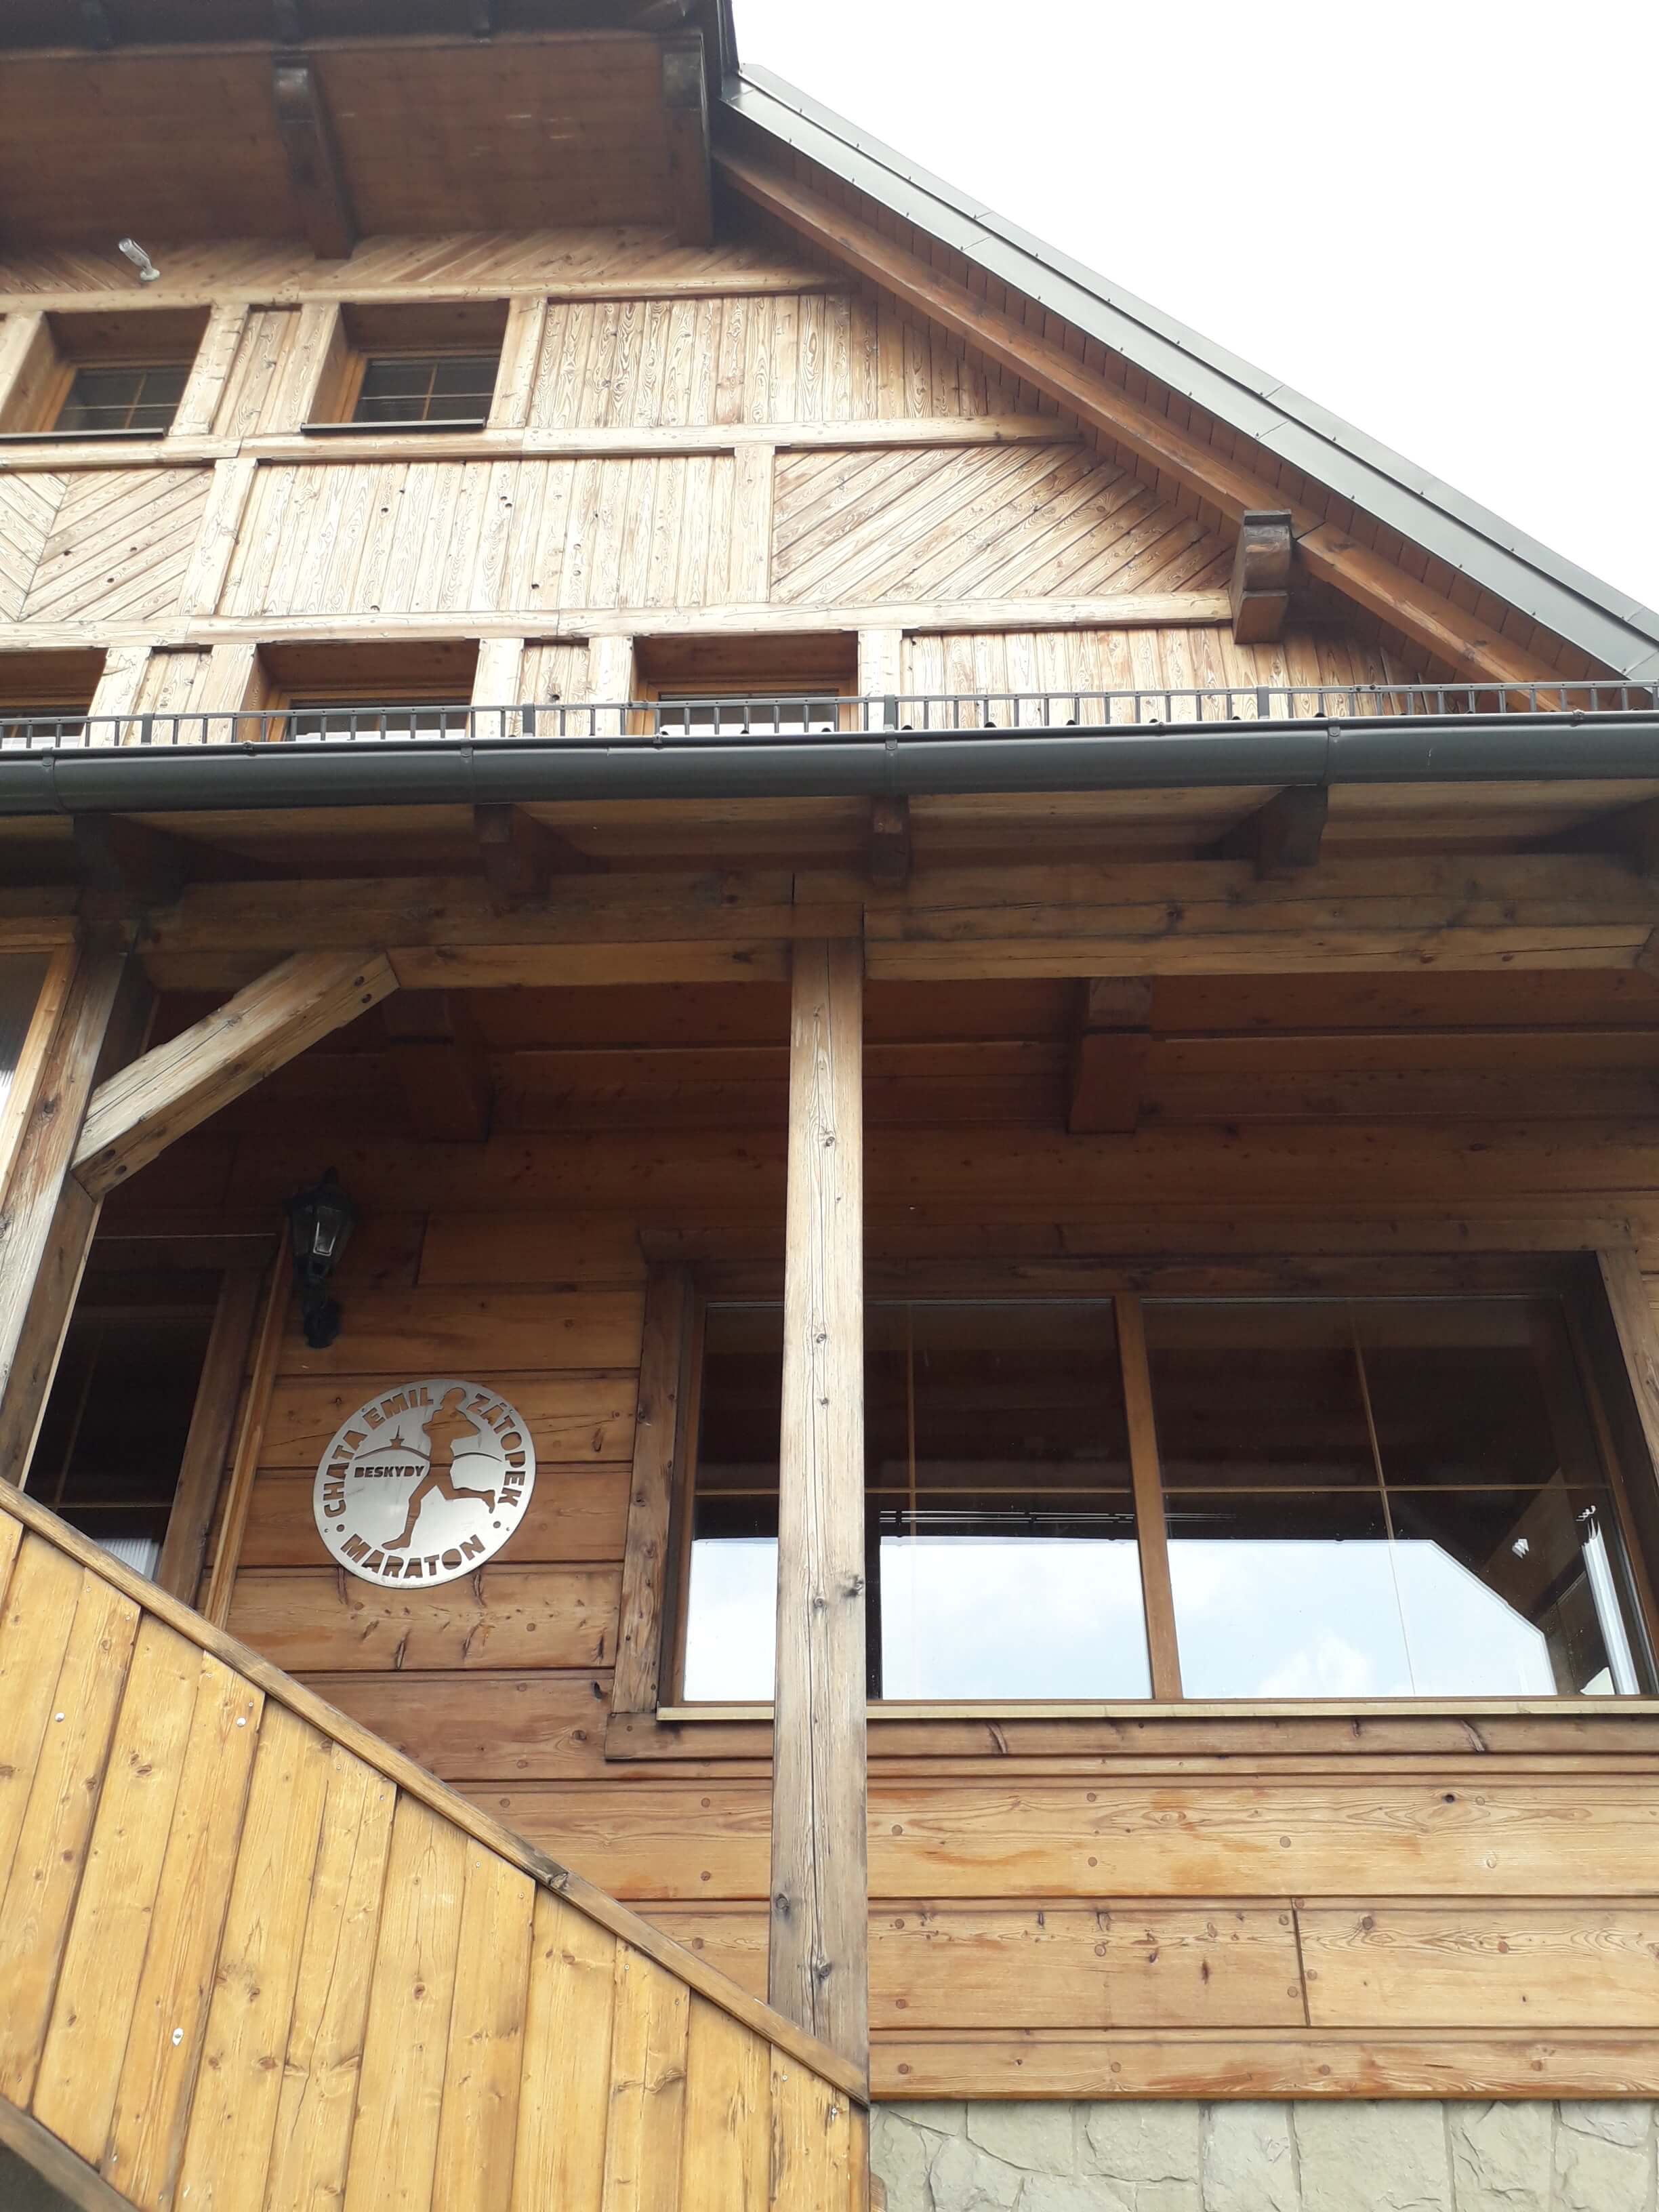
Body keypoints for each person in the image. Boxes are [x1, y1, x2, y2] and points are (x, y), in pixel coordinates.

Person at [384, 1385, 496, 1552]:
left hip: (443, 1458)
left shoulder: (458, 1416)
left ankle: (406, 1538)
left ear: (455, 1401)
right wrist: (437, 1429)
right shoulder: (437, 1414)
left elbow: (472, 1430)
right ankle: (485, 1495)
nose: (444, 1399)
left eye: (449, 1397)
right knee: (451, 1494)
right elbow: (428, 1429)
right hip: (434, 1457)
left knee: (414, 1499)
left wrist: (450, 1429)